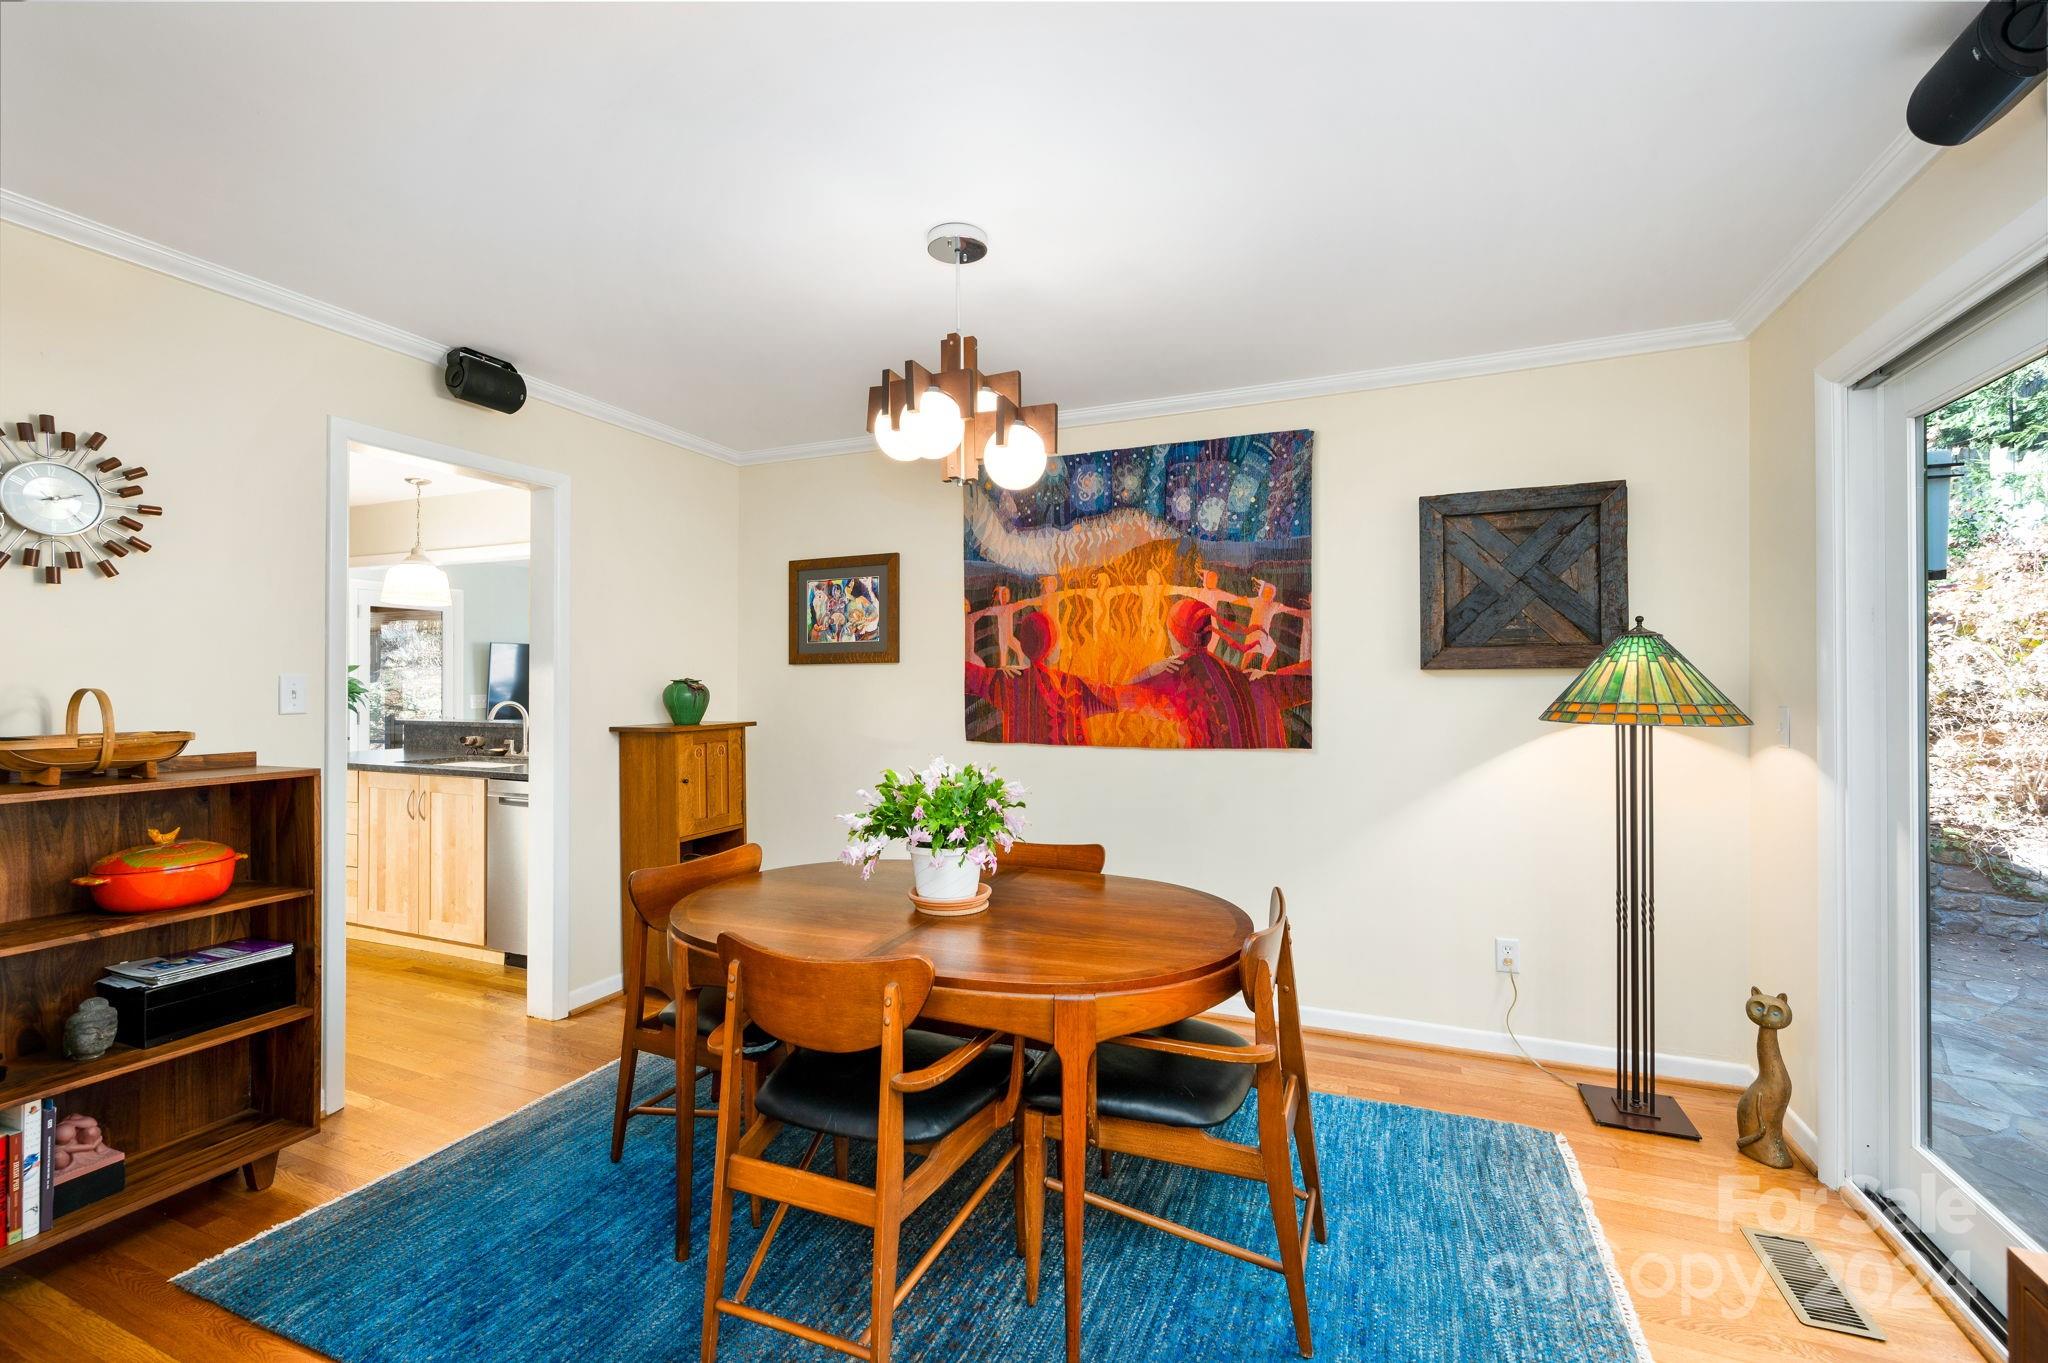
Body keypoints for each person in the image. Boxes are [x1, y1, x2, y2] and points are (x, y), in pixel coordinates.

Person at [1127, 598, 1310, 748]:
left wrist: (1153, 669)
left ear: (1174, 638)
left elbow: (1127, 694)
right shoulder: (1260, 683)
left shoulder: (1179, 686)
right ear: (1210, 635)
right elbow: (1313, 679)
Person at [964, 610, 1120, 745]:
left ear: (1023, 645)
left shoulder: (1006, 681)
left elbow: (960, 673)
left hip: (1022, 770)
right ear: (1051, 647)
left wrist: (998, 671)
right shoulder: (1074, 686)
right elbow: (1121, 697)